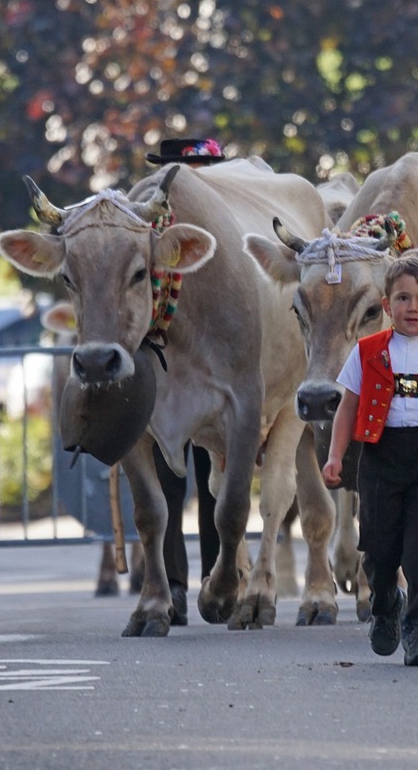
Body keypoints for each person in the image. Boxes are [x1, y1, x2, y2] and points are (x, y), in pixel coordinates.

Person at [322, 251, 418, 667]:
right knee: (379, 548)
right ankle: (386, 604)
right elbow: (348, 407)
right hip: (381, 458)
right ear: (387, 305)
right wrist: (336, 457)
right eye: (403, 298)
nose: (413, 307)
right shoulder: (367, 351)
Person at [144, 136, 227, 621]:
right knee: (166, 479)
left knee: (214, 475)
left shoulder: (230, 223)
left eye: (203, 166)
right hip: (165, 361)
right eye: (185, 167)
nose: (194, 176)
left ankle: (217, 574)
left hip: (213, 367)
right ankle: (173, 581)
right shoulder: (147, 222)